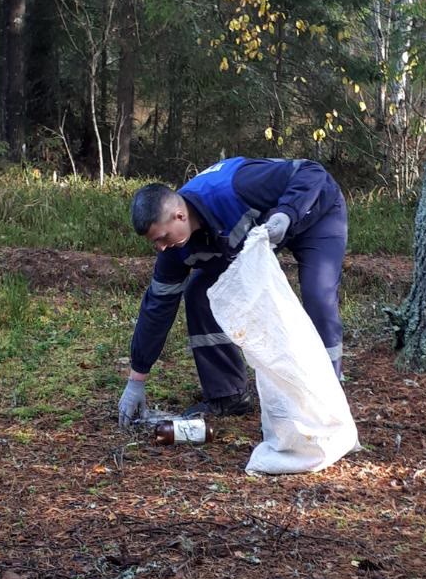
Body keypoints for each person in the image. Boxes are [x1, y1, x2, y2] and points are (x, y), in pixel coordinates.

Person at [118, 156, 348, 426]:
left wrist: (286, 214)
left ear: (179, 216)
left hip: (316, 213)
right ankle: (228, 395)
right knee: (200, 293)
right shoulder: (174, 251)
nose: (160, 248)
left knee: (317, 295)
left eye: (161, 238)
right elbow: (157, 308)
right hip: (257, 236)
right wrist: (137, 379)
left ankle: (328, 395)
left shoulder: (237, 187)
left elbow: (311, 172)